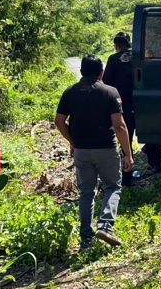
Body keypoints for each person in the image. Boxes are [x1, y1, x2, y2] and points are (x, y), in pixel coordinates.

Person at [55, 55, 133, 250]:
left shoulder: (70, 92)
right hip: (105, 148)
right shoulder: (109, 92)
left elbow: (59, 121)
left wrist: (72, 141)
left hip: (82, 150)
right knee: (113, 187)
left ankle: (86, 238)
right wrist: (128, 154)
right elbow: (119, 125)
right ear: (101, 72)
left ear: (81, 71)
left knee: (86, 192)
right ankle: (105, 226)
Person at [103, 32, 135, 186]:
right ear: (129, 43)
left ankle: (127, 178)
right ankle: (155, 163)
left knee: (125, 139)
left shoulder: (113, 59)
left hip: (122, 104)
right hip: (143, 102)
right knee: (151, 133)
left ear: (116, 46)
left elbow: (106, 83)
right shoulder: (140, 56)